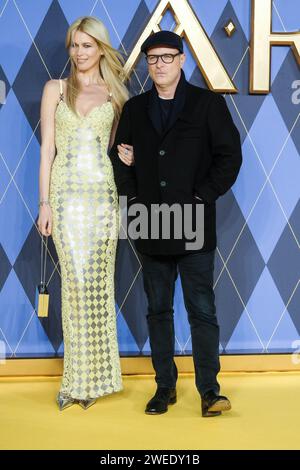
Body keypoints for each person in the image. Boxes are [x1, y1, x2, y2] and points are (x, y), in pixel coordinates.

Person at [110, 31, 242, 417]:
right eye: (153, 58)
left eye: (167, 57)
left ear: (182, 60)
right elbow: (120, 160)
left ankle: (209, 391)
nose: (159, 64)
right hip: (149, 221)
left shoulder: (207, 105)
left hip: (194, 223)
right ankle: (164, 387)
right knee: (158, 309)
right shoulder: (135, 109)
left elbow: (229, 158)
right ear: (147, 64)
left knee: (202, 309)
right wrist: (133, 200)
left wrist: (202, 196)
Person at [37, 16, 128, 411]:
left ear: (100, 49)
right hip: (65, 199)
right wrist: (44, 203)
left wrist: (130, 156)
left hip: (101, 200)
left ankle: (98, 380)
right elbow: (47, 152)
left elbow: (113, 150)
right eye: (74, 45)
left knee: (98, 287)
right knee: (73, 287)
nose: (79, 52)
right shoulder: (54, 89)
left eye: (87, 45)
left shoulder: (114, 95)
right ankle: (73, 381)